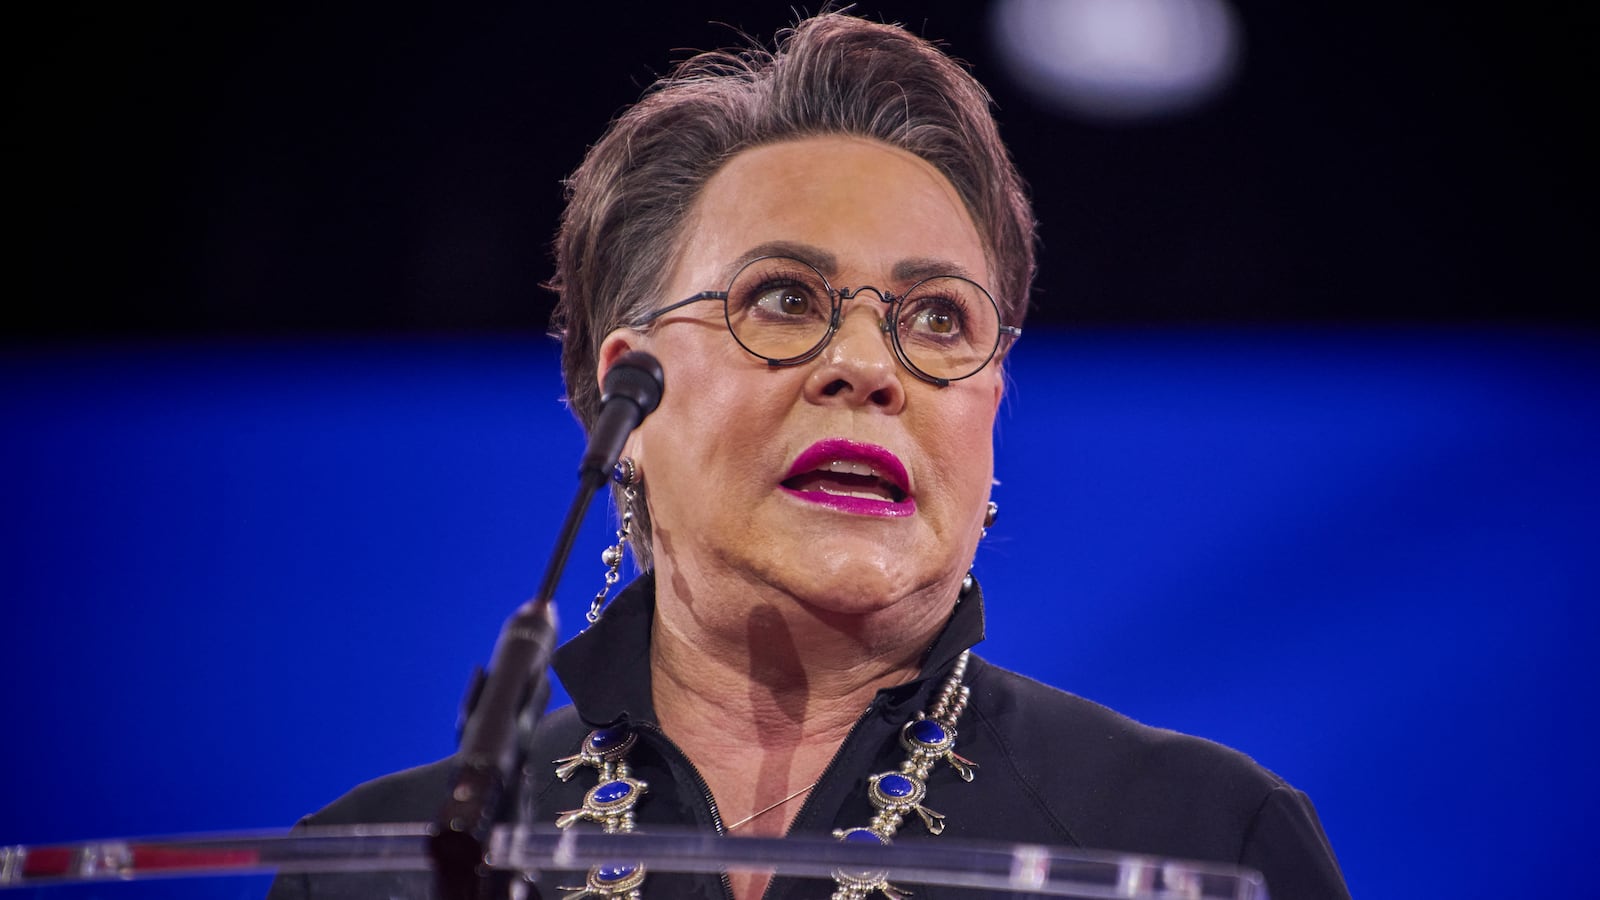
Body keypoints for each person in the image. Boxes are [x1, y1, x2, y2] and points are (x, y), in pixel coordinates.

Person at [270, 12, 1349, 900]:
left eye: (937, 319)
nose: (867, 367)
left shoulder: (1199, 844)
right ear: (626, 399)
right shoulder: (386, 865)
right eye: (783, 301)